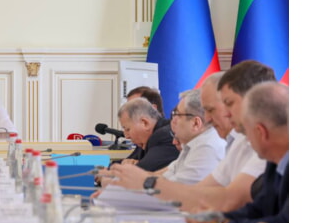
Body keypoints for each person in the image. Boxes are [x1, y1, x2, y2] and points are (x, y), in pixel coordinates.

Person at [109, 70, 268, 212]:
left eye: (211, 109)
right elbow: (200, 191)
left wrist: (143, 182)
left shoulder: (212, 144)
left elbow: (228, 198)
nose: (207, 118)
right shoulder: (235, 141)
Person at [186, 81, 288, 223]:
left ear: (261, 132)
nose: (246, 140)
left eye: (246, 132)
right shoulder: (275, 161)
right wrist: (217, 218)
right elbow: (259, 209)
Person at [115, 89, 225, 186]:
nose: (174, 120)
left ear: (196, 123)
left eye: (178, 115)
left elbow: (176, 189)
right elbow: (160, 176)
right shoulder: (190, 147)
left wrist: (118, 176)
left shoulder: (207, 147)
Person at [111, 97, 179, 172]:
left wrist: (131, 166)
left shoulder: (163, 136)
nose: (126, 136)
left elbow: (140, 172)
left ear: (145, 123)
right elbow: (118, 164)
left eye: (128, 129)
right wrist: (124, 163)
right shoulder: (144, 139)